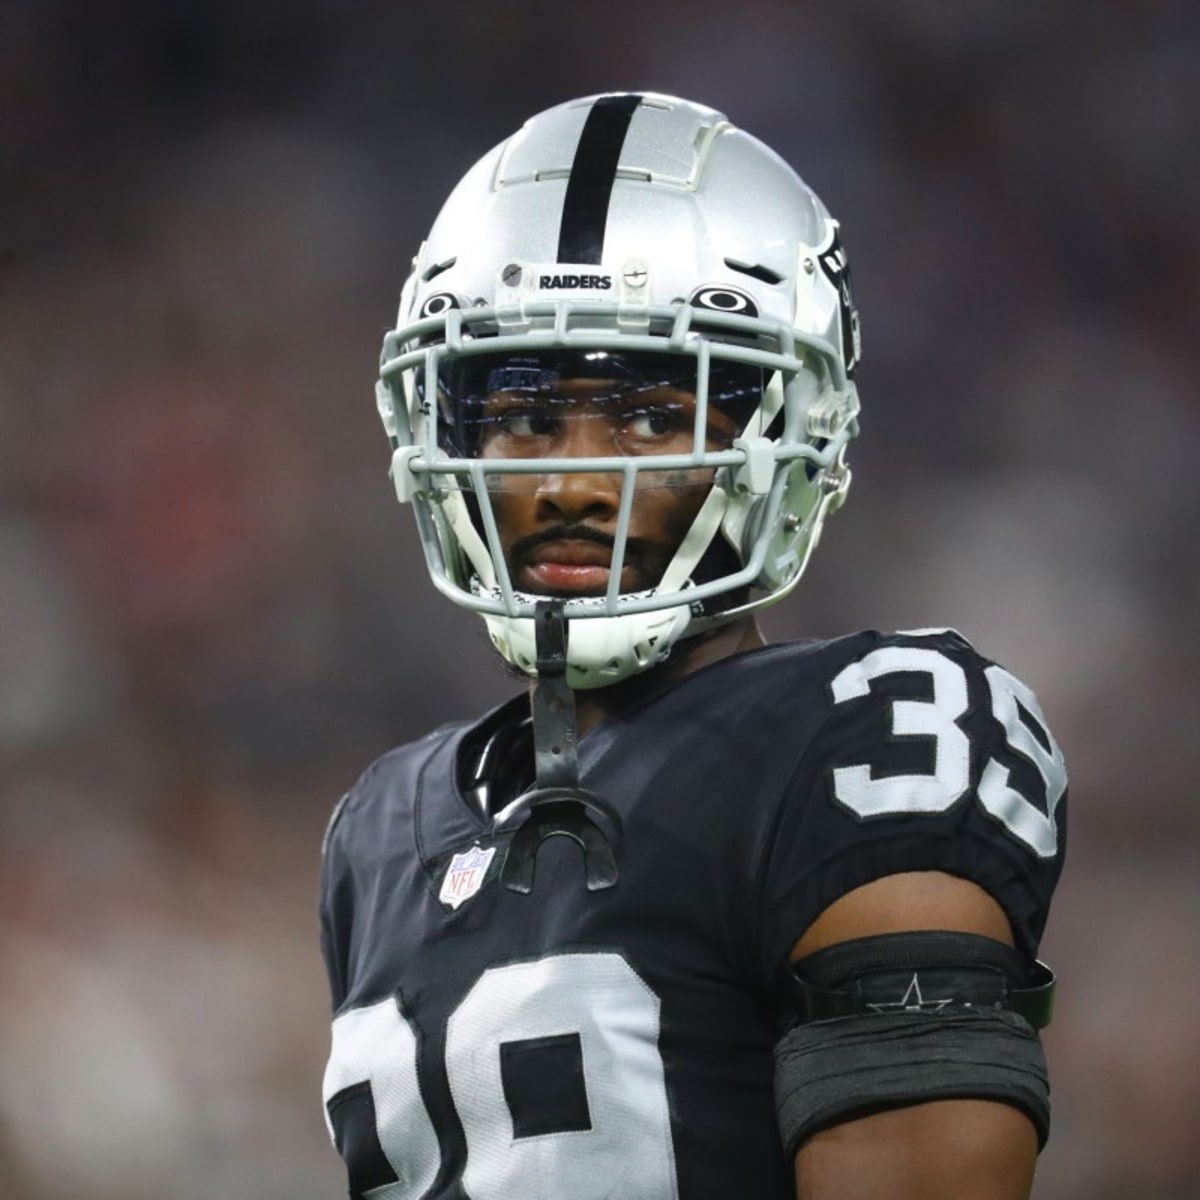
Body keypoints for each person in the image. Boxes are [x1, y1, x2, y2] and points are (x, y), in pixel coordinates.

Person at [318, 92, 1067, 1200]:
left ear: (789, 437)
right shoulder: (377, 828)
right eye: (524, 417)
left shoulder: (872, 735)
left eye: (652, 417)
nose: (572, 483)